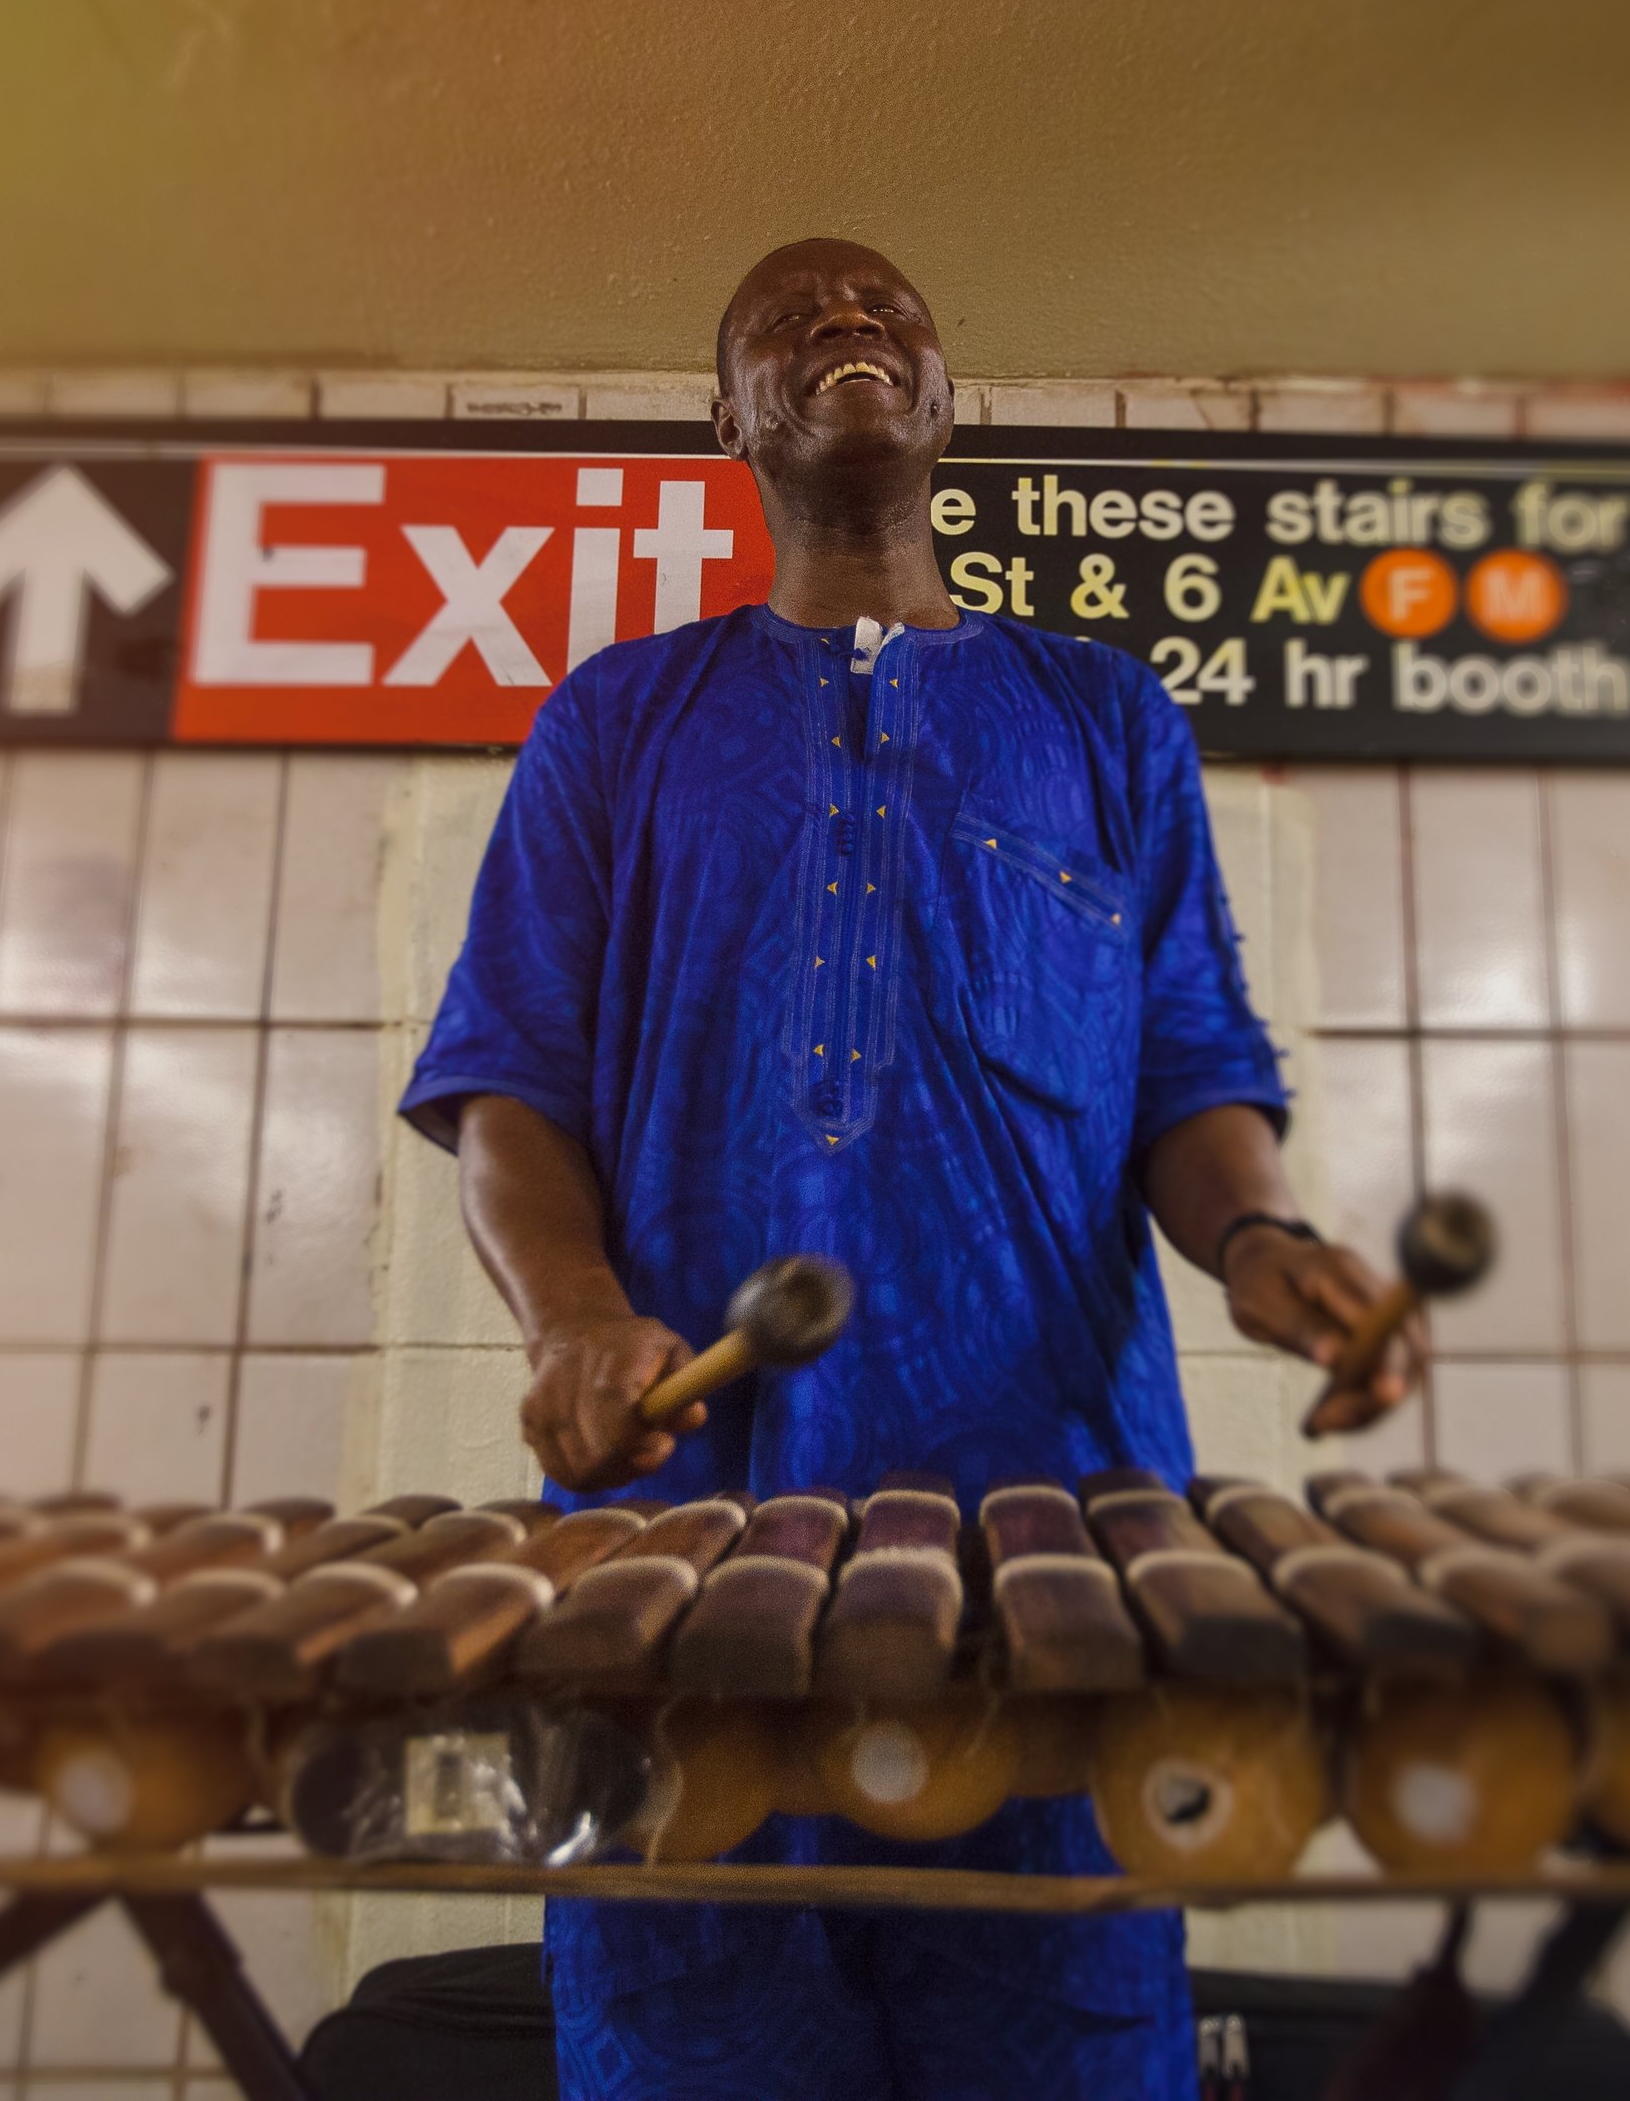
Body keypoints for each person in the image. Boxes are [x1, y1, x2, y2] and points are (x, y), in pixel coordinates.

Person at [400, 237, 1421, 2100]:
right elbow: (508, 1084)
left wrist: (1263, 1241)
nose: (846, 329)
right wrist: (572, 1314)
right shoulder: (615, 723)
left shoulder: (1108, 721)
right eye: (788, 322)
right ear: (730, 421)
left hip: (1057, 1571)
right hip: (677, 1572)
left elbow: (1190, 1064)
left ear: (950, 405)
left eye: (887, 314)